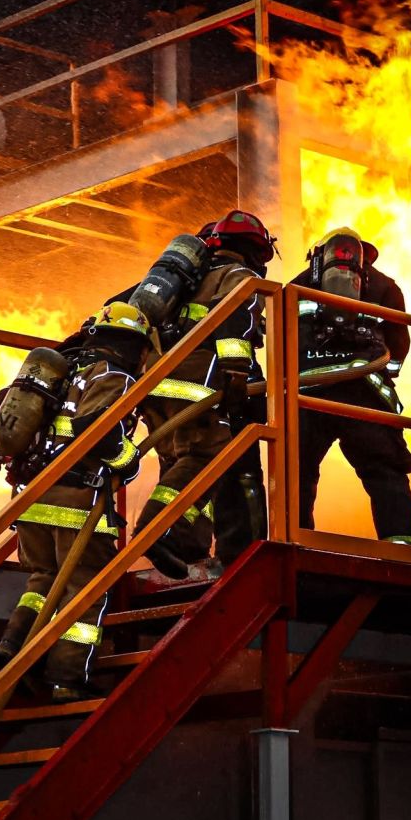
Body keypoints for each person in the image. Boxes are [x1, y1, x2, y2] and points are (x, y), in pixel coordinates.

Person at [0, 301, 153, 702]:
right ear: (135, 344)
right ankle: (66, 678)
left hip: (31, 498)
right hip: (76, 500)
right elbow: (95, 431)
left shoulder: (66, 371)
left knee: (42, 582)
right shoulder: (114, 374)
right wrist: (128, 461)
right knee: (85, 591)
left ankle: (14, 647)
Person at [133, 210, 277, 578]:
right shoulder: (238, 278)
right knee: (205, 458)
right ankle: (158, 530)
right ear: (256, 251)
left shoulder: (183, 284)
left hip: (154, 386)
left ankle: (189, 550)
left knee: (178, 464)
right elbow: (234, 324)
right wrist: (236, 373)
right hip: (199, 386)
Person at [293, 227, 411, 545]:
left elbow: (282, 337)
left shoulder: (296, 284)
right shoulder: (386, 286)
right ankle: (402, 547)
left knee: (298, 471)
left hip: (309, 394)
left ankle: (295, 539)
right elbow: (399, 342)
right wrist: (387, 374)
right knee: (384, 471)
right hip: (365, 393)